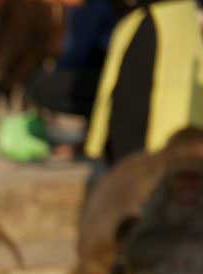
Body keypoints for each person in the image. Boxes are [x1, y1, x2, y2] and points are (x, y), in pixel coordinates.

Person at [86, 0, 203, 166]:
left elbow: (129, 111)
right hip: (185, 153)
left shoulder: (147, 25)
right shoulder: (188, 16)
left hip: (149, 164)